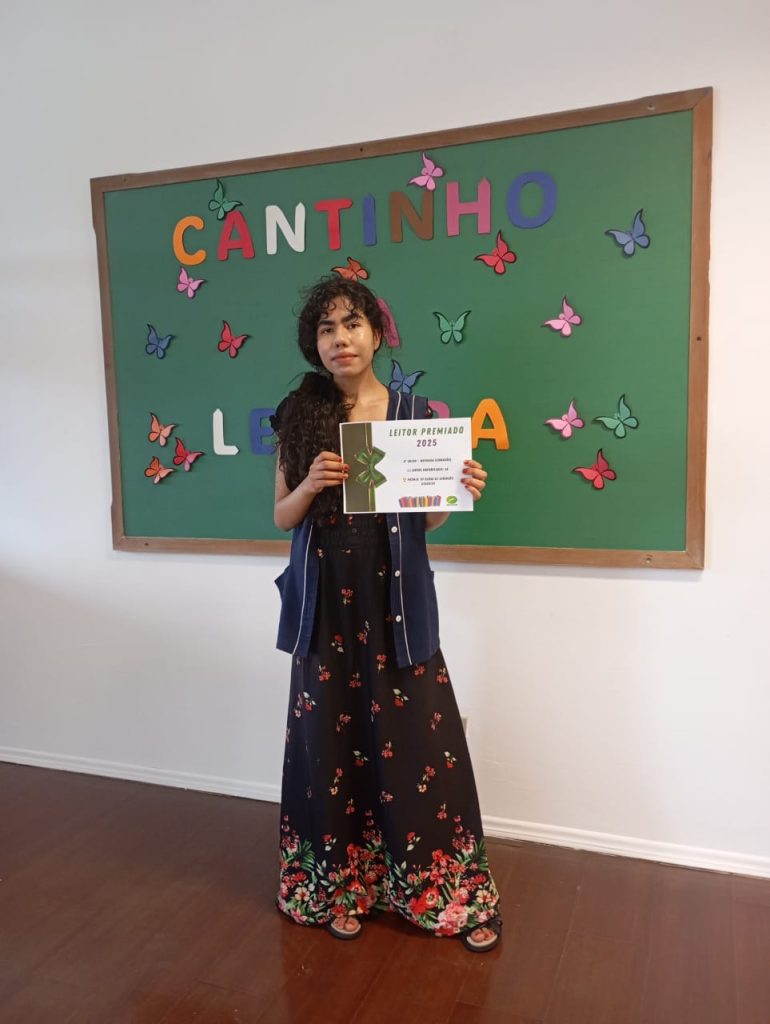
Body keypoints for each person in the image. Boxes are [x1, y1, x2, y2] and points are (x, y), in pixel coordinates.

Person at [271, 276, 502, 952]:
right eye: (325, 329)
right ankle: (335, 888)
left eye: (351, 324)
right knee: (328, 748)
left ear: (377, 333)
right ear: (314, 343)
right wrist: (310, 483)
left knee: (421, 745)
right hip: (326, 608)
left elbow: (424, 520)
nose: (339, 339)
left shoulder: (415, 415)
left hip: (395, 604)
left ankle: (442, 893)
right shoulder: (301, 413)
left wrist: (456, 489)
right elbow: (282, 514)